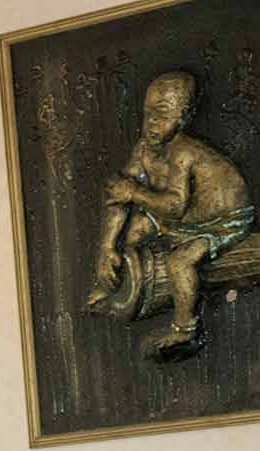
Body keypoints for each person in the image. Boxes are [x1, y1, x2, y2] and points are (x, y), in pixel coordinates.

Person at [86, 69, 254, 356]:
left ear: (183, 118)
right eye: (148, 114)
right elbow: (118, 197)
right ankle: (112, 281)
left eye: (162, 115)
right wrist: (107, 247)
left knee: (180, 262)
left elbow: (174, 206)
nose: (152, 123)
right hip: (187, 220)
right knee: (135, 227)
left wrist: (134, 193)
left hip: (223, 223)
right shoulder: (143, 149)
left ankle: (185, 330)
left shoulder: (184, 152)